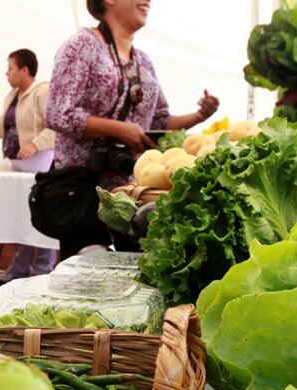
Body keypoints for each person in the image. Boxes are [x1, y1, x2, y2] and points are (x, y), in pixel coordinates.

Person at [46, 0, 220, 259]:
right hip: (85, 193)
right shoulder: (82, 46)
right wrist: (119, 129)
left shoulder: (143, 61)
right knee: (85, 281)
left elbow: (160, 122)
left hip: (131, 196)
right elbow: (58, 113)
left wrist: (199, 115)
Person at [0, 48, 58, 281]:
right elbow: (2, 128)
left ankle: (42, 269)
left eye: (10, 68)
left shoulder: (43, 92)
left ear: (25, 70)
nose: (6, 73)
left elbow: (55, 127)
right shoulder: (12, 96)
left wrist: (35, 145)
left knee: (40, 214)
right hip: (18, 165)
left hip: (40, 164)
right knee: (23, 217)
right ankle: (20, 268)